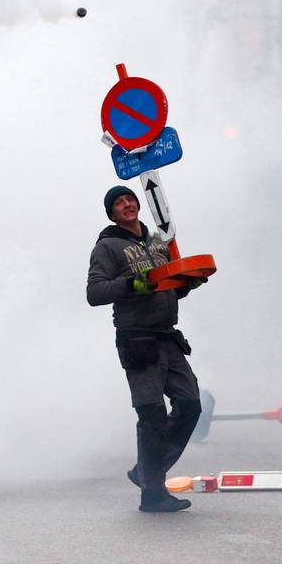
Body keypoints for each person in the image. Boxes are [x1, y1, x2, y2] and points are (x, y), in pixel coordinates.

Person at [87, 186, 205, 512]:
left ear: (138, 205)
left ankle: (146, 471)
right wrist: (133, 284)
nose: (126, 204)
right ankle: (153, 494)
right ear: (111, 213)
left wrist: (186, 284)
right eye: (118, 203)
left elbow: (167, 291)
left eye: (129, 199)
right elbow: (94, 292)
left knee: (190, 403)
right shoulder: (107, 247)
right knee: (151, 412)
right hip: (137, 340)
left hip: (168, 337)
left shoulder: (158, 244)